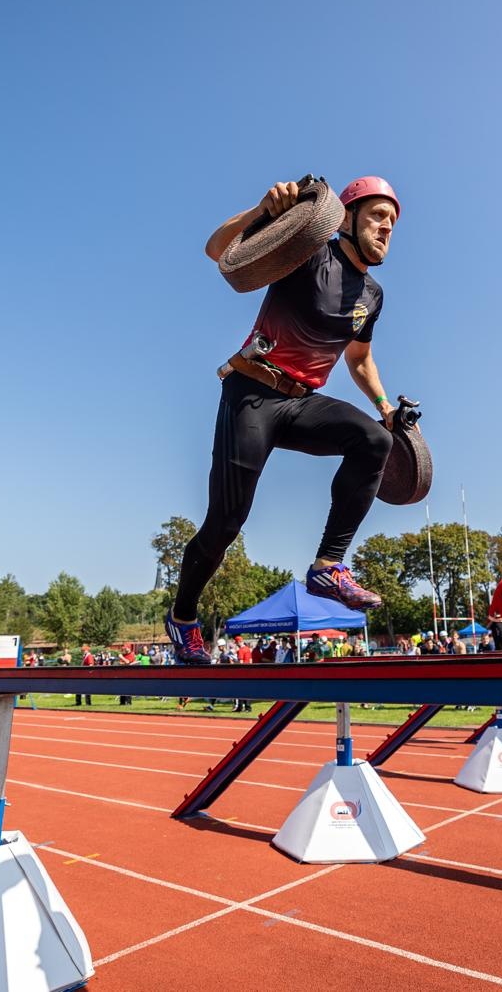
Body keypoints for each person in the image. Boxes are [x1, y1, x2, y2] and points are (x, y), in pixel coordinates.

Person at [164, 177, 407, 665]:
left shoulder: (373, 295)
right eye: (378, 215)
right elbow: (219, 251)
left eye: (393, 222)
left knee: (372, 440)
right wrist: (262, 210)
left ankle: (329, 566)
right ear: (347, 216)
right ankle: (184, 618)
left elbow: (359, 359)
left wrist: (385, 406)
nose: (386, 228)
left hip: (301, 403)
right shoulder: (307, 249)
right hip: (252, 393)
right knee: (227, 522)